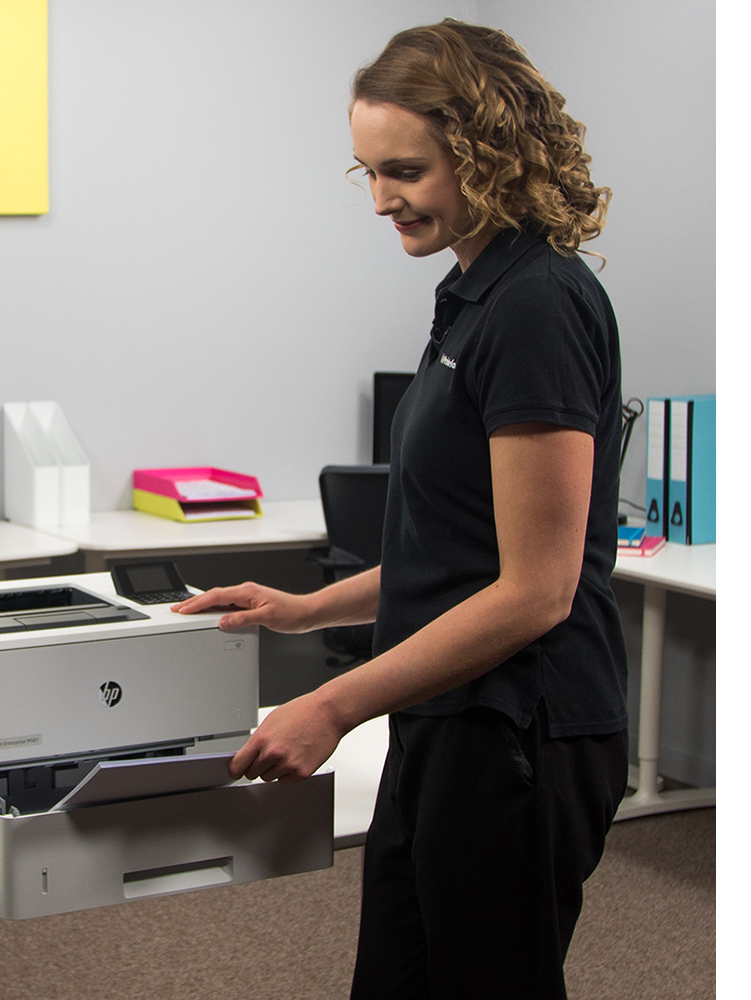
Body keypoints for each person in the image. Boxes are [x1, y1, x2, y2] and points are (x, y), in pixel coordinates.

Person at [174, 18, 628, 999]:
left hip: (522, 728)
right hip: (445, 712)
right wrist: (302, 609)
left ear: (486, 152)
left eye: (406, 171)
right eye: (366, 172)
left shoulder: (537, 305)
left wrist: (333, 701)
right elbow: (459, 555)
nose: (380, 199)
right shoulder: (472, 290)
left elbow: (536, 591)